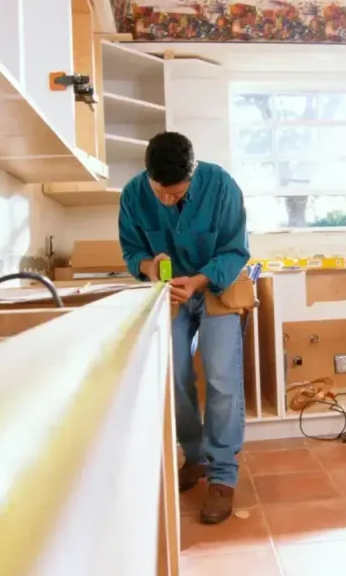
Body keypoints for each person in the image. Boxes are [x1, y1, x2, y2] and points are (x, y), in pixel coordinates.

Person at [118, 132, 250, 524]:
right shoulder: (133, 195)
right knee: (174, 376)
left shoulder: (222, 185)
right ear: (149, 176)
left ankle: (223, 475)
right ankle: (194, 458)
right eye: (161, 193)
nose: (167, 200)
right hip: (168, 293)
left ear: (192, 175)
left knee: (222, 375)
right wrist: (147, 265)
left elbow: (235, 250)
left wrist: (199, 280)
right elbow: (131, 250)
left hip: (215, 285)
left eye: (177, 194)